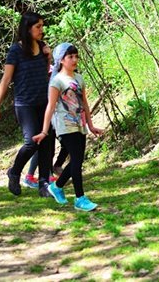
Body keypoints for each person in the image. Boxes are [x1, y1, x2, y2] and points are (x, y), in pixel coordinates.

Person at [33, 43, 103, 212]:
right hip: (64, 125)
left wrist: (91, 125)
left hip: (80, 124)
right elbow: (50, 107)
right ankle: (80, 198)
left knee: (77, 162)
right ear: (61, 60)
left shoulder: (79, 79)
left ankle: (57, 186)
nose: (74, 60)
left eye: (76, 56)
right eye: (70, 57)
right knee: (77, 162)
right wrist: (44, 130)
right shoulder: (57, 81)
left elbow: (84, 103)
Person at [0, 11, 53, 197]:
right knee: (31, 142)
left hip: (44, 102)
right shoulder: (15, 51)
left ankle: (44, 184)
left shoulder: (43, 47)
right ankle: (15, 171)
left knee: (47, 141)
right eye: (38, 27)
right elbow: (6, 79)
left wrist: (48, 57)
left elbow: (48, 73)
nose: (42, 30)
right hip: (25, 104)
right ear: (27, 28)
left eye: (42, 26)